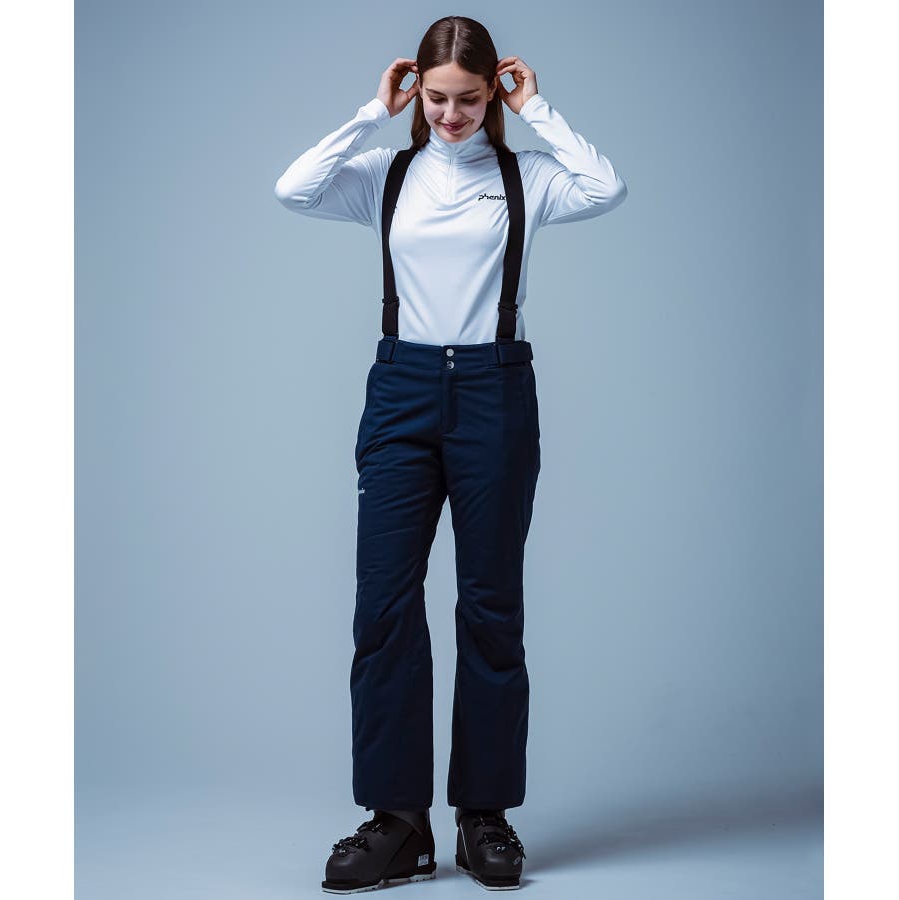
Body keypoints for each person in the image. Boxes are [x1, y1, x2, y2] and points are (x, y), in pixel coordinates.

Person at [274, 15, 627, 894]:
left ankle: (483, 818)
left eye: (470, 98)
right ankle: (398, 822)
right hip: (401, 389)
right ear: (416, 93)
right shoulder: (387, 175)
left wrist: (537, 109)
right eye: (436, 98)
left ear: (492, 93)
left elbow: (607, 187)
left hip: (494, 392)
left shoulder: (524, 176)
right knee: (384, 607)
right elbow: (292, 188)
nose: (452, 115)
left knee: (490, 606)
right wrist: (372, 110)